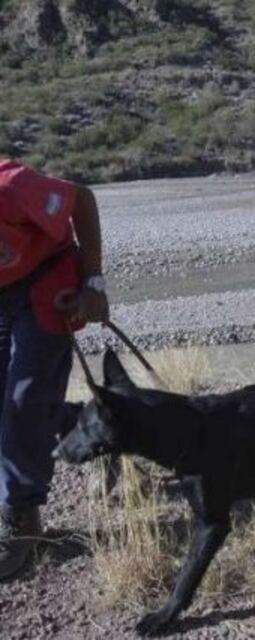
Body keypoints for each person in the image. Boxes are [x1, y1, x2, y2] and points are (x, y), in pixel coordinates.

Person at [0, 159, 110, 579]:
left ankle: (22, 518)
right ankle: (98, 430)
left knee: (24, 399)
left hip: (46, 282)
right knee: (13, 406)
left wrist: (93, 283)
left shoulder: (11, 187)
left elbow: (81, 199)